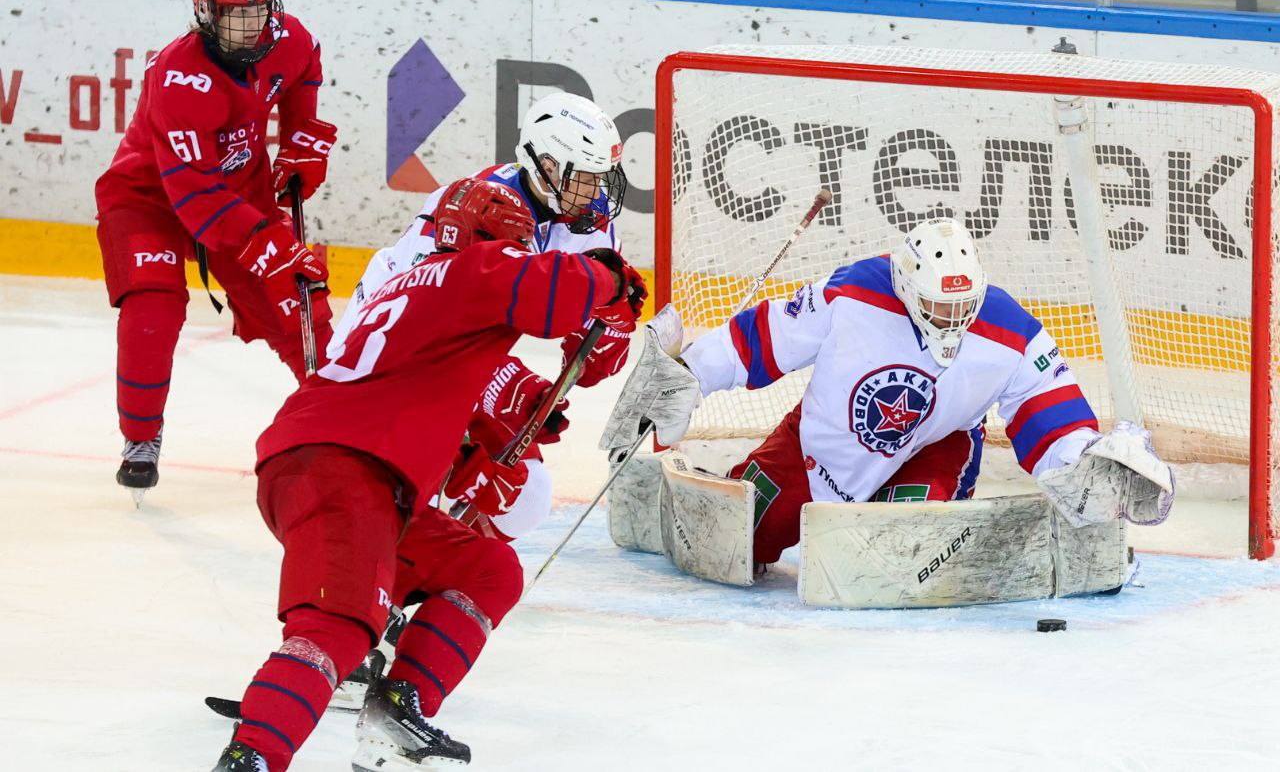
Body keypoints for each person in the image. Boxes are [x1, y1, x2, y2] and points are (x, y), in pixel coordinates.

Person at [210, 179, 647, 771]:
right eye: (520, 246)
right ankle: (253, 756)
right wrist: (612, 274)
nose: (525, 255)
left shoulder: (415, 285)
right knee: (339, 626)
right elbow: (552, 290)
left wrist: (483, 443)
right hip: (345, 470)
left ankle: (398, 706)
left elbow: (437, 383)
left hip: (344, 469)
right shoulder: (471, 270)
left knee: (486, 568)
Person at [604, 217, 1173, 573]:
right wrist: (693, 373)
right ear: (905, 284)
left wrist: (1082, 461)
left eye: (961, 307)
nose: (951, 319)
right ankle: (655, 494)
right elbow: (766, 335)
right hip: (821, 445)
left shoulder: (1012, 330)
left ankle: (918, 517)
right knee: (730, 540)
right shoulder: (853, 292)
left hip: (936, 445)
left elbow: (1048, 410)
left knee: (903, 548)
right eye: (937, 306)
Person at [332, 90, 631, 542]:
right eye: (586, 179)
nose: (596, 194)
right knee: (410, 481)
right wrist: (501, 384)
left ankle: (445, 557)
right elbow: (418, 330)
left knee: (525, 501)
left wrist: (608, 330)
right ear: (547, 167)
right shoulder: (475, 213)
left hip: (462, 361)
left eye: (601, 179)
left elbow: (590, 329)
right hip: (384, 364)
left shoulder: (587, 216)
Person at [95, 0, 337, 499]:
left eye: (260, 11)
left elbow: (304, 70)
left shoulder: (290, 38)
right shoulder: (179, 78)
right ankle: (140, 437)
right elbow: (197, 197)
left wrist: (301, 136)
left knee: (298, 303)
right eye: (237, 15)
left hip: (241, 192)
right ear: (207, 13)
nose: (253, 27)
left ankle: (344, 426)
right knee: (152, 305)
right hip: (150, 198)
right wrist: (267, 243)